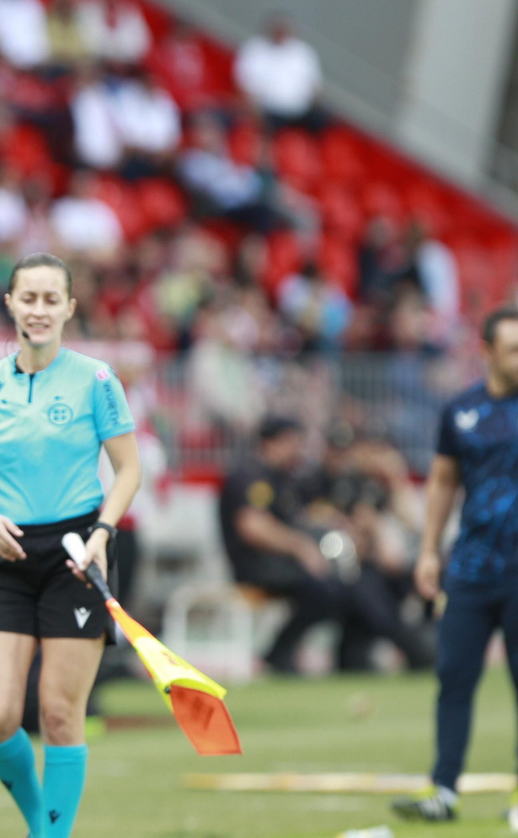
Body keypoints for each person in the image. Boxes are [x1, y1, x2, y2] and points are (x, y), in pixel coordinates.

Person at [0, 252, 142, 838]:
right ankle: (40, 823)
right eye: (29, 298)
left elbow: (127, 470)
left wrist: (104, 533)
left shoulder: (97, 379)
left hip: (77, 554)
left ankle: (51, 836)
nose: (39, 310)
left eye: (52, 299)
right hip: (1, 552)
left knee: (58, 712)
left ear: (70, 307)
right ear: (10, 303)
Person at [394, 307, 518, 826]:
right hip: (470, 568)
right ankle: (443, 791)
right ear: (486, 352)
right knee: (453, 678)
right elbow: (443, 481)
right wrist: (428, 551)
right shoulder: (460, 412)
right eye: (513, 348)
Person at [218, 417, 431, 675]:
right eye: (291, 442)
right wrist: (301, 547)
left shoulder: (285, 478)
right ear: (272, 442)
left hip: (288, 561)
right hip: (257, 564)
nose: (297, 449)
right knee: (330, 588)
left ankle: (352, 655)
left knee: (350, 585)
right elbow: (252, 526)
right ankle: (280, 653)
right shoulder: (251, 475)